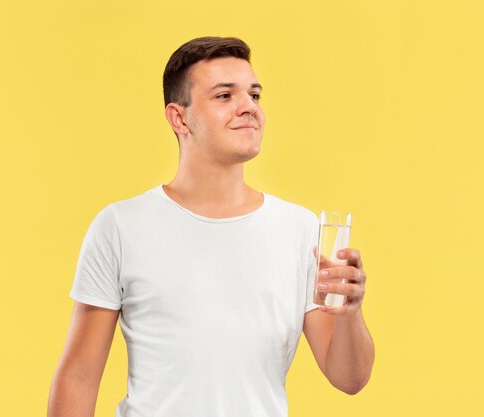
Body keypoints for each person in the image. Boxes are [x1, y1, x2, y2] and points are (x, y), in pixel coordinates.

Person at [47, 36, 374, 417]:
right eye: (224, 96)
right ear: (179, 117)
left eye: (254, 94)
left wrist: (350, 312)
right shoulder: (120, 227)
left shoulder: (300, 229)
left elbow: (349, 379)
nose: (248, 107)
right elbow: (79, 377)